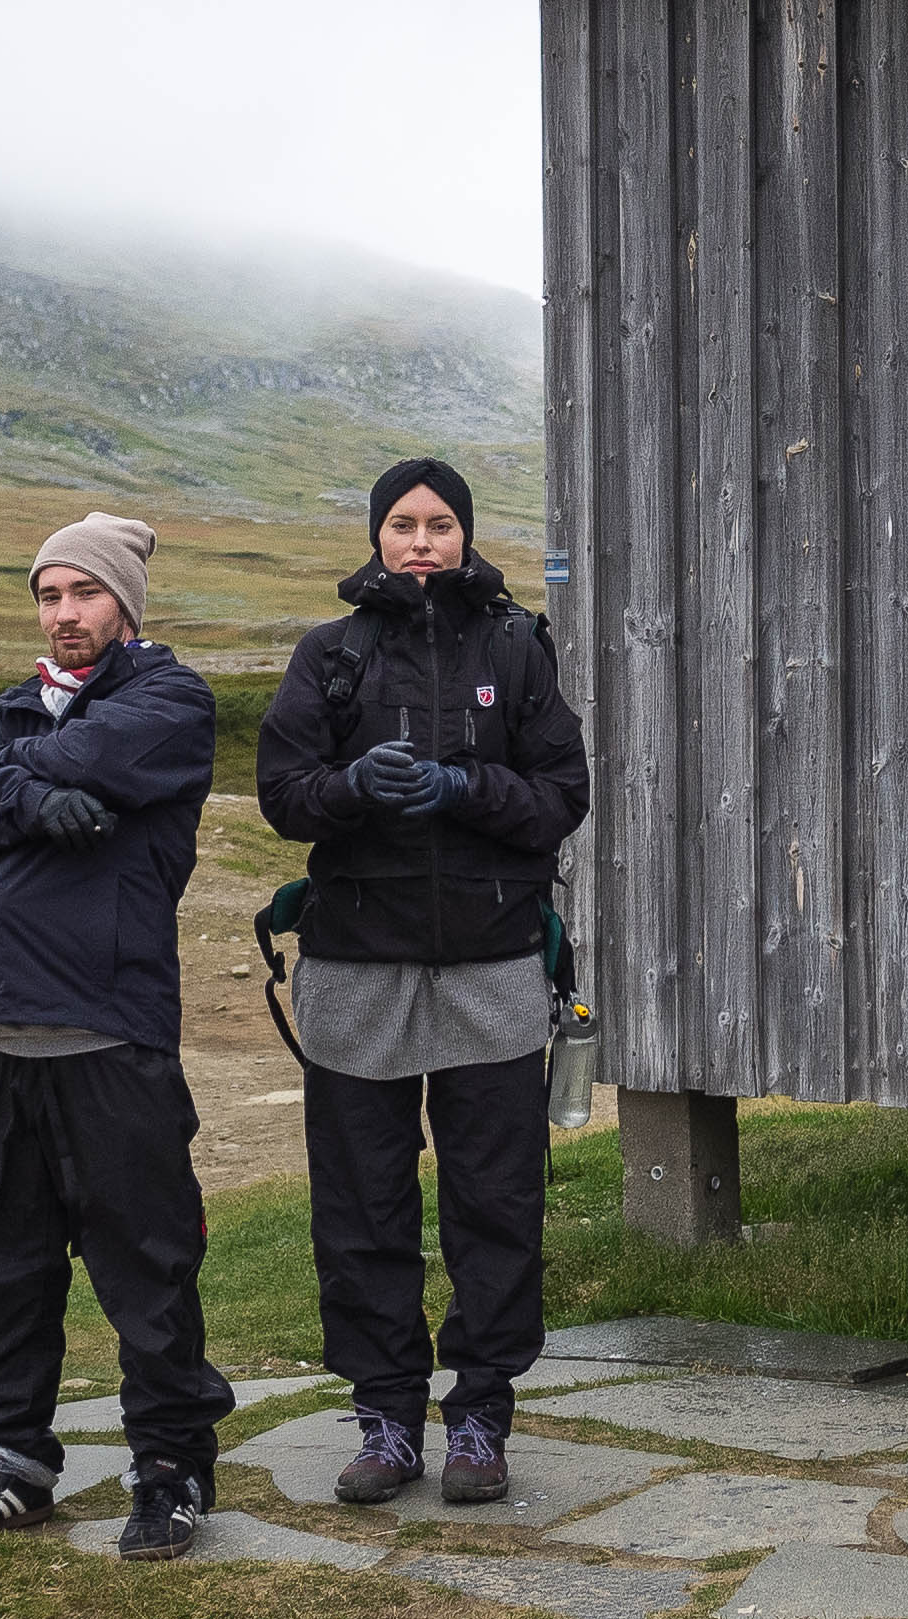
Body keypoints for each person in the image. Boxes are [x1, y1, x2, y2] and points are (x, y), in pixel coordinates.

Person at [255, 458, 588, 1507]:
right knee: (363, 1202)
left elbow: (560, 796)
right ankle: (388, 1416)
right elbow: (282, 793)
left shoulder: (515, 647)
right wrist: (351, 788)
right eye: (402, 523)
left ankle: (481, 1414)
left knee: (495, 1199)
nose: (421, 541)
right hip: (356, 968)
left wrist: (462, 784)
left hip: (489, 966)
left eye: (439, 523)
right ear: (375, 538)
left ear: (464, 535)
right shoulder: (332, 653)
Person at [0, 511, 231, 1560]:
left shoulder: (170, 699)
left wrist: (15, 782)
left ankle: (171, 1465)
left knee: (145, 1268)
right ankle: (12, 1462)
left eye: (82, 593)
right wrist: (28, 797)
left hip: (109, 1038)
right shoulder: (15, 707)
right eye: (47, 596)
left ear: (123, 603)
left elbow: (85, 757)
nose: (63, 614)